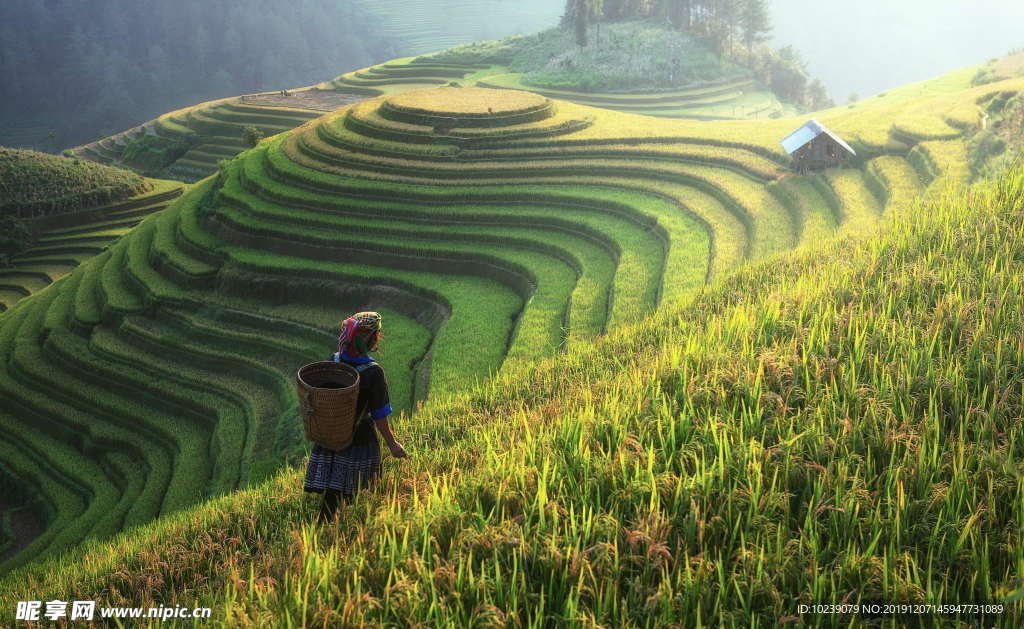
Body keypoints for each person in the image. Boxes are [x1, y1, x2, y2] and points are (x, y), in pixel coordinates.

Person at [303, 311, 407, 522]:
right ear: (371, 339)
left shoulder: (333, 361)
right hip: (359, 439)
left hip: (332, 435)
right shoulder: (373, 372)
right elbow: (379, 415)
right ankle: (361, 527)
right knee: (364, 488)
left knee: (334, 490)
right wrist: (393, 444)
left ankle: (328, 528)